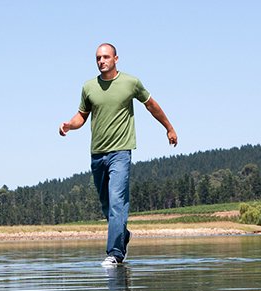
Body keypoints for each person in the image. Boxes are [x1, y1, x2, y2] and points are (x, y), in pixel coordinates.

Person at [59, 43, 178, 266]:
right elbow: (81, 116)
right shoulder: (88, 87)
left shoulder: (130, 83)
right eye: (97, 58)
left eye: (105, 57)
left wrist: (169, 128)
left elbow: (151, 105)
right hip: (97, 154)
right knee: (107, 205)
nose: (101, 61)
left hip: (121, 152)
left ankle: (115, 253)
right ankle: (123, 234)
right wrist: (69, 125)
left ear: (116, 58)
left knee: (117, 203)